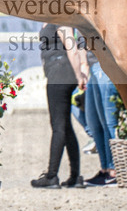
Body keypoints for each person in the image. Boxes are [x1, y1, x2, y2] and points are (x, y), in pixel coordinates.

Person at [32, 24, 89, 189]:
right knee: (65, 125)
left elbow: (72, 46)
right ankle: (75, 176)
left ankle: (51, 175)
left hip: (60, 72)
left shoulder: (60, 18)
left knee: (58, 126)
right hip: (59, 70)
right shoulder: (51, 18)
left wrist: (79, 75)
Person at [83, 45, 119, 187]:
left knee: (108, 122)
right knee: (94, 123)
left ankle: (114, 170)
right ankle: (105, 169)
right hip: (93, 66)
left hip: (105, 63)